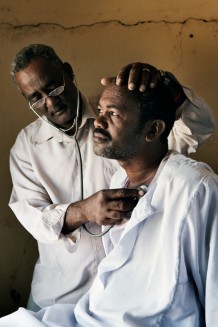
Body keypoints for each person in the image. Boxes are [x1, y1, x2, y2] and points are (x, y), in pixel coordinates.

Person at [9, 44, 215, 311]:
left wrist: (166, 85)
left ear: (68, 73)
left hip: (126, 295)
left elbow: (196, 128)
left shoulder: (119, 113)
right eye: (35, 98)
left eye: (53, 88)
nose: (49, 102)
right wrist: (84, 211)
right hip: (59, 293)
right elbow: (33, 217)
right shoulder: (27, 146)